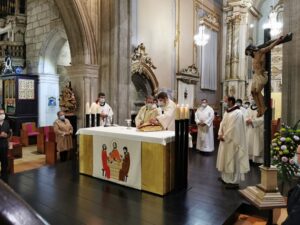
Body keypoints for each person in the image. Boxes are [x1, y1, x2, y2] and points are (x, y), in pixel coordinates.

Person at [245, 35, 286, 117]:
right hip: (256, 76)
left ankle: (263, 108)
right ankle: (259, 109)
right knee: (253, 92)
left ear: (252, 49)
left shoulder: (260, 52)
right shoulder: (253, 56)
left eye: (249, 52)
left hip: (262, 75)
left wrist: (278, 40)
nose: (249, 55)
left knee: (257, 92)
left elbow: (270, 47)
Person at [216, 97, 249, 189]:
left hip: (233, 141)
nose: (226, 103)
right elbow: (222, 123)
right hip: (224, 140)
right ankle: (225, 178)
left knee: (232, 160)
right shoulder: (227, 111)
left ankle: (233, 181)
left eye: (227, 102)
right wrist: (220, 133)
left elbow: (234, 128)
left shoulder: (238, 113)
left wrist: (224, 136)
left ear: (231, 102)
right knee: (225, 159)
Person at [0, 109, 10, 182]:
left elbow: (9, 133)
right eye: (0, 114)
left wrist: (7, 135)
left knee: (4, 161)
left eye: (3, 113)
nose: (2, 115)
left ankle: (4, 176)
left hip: (4, 145)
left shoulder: (6, 123)